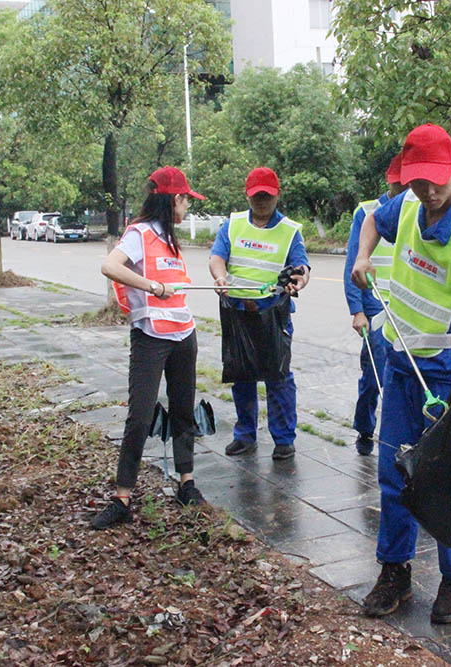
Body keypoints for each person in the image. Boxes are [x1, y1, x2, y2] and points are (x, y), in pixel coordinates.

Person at [350, 124, 451, 625]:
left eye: (435, 182)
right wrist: (362, 256)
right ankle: (394, 572)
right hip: (401, 370)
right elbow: (375, 218)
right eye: (418, 182)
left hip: (447, 380)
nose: (427, 191)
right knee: (394, 475)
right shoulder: (410, 206)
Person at [92, 166, 205, 530]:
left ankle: (186, 483)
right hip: (151, 338)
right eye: (187, 199)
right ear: (175, 199)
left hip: (183, 335)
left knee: (183, 411)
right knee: (139, 417)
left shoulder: (171, 238)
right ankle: (123, 497)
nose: (188, 206)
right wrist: (152, 287)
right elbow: (110, 266)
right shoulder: (140, 233)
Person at [209, 167, 310, 460]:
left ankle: (283, 439)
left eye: (267, 196)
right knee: (242, 374)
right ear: (248, 196)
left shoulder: (290, 230)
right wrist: (219, 276)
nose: (262, 202)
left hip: (273, 313)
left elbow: (301, 265)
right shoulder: (233, 225)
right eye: (257, 196)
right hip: (238, 311)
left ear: (277, 195)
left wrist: (299, 279)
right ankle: (245, 435)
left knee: (278, 376)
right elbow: (218, 257)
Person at [343, 153, 405, 455]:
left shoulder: (418, 210)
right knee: (374, 377)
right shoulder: (367, 212)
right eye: (397, 186)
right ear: (387, 181)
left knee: (402, 380)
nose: (402, 192)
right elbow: (353, 264)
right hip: (375, 312)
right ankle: (365, 429)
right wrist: (357, 311)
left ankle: (398, 438)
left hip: (408, 314)